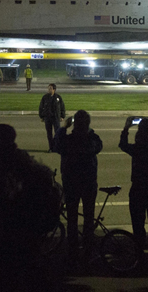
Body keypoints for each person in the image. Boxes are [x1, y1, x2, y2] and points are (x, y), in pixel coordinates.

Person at [0, 124, 57, 291]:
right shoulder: (17, 160)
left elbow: (6, 200)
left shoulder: (10, 164)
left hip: (17, 230)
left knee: (13, 274)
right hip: (21, 230)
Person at [52, 110, 103, 257]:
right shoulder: (91, 140)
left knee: (72, 218)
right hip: (88, 182)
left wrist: (63, 127)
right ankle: (88, 247)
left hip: (71, 183)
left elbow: (56, 144)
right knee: (89, 216)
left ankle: (73, 248)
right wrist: (88, 130)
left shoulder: (68, 140)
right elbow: (99, 145)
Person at [119, 117, 148, 256]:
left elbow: (123, 144)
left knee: (138, 223)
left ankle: (139, 252)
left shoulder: (138, 148)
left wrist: (126, 128)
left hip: (138, 188)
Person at [38, 83, 65, 152]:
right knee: (49, 134)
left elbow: (62, 107)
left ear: (54, 89)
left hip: (56, 118)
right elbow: (41, 107)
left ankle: (57, 147)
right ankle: (51, 148)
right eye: (48, 88)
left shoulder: (58, 97)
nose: (49, 90)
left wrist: (62, 116)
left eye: (50, 88)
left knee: (57, 133)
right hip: (48, 118)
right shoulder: (45, 97)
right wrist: (41, 116)